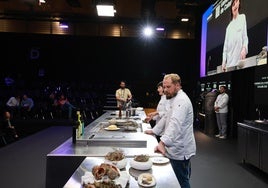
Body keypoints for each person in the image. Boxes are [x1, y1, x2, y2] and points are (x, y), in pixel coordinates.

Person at [154, 73, 196, 188]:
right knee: (179, 178)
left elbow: (175, 124)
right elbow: (167, 117)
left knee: (181, 181)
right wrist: (154, 131)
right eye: (164, 86)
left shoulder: (181, 100)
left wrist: (162, 142)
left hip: (180, 149)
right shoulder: (174, 98)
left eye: (168, 87)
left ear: (177, 85)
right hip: (174, 146)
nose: (165, 90)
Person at [222, 0, 248, 72]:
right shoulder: (228, 27)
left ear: (239, 5)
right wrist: (224, 62)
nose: (235, 6)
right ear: (231, 8)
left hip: (239, 63)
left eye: (237, 3)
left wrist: (244, 48)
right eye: (233, 4)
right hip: (230, 65)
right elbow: (225, 48)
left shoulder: (242, 17)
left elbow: (245, 38)